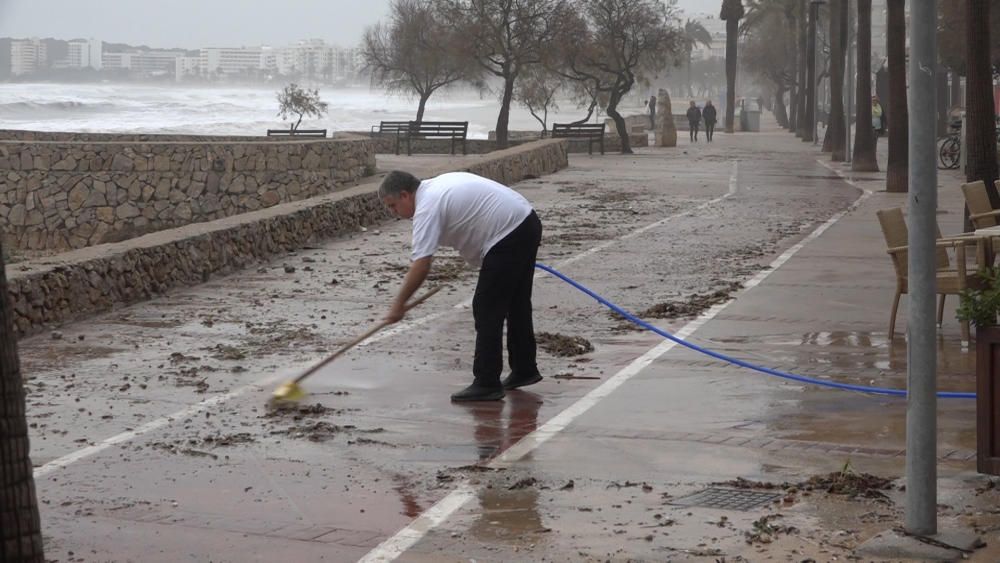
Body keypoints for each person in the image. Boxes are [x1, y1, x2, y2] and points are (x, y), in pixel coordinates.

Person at [379, 170, 543, 402]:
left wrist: (398, 304)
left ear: (405, 195)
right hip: (526, 221)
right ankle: (524, 368)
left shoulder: (427, 206)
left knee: (486, 307)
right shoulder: (436, 187)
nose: (394, 213)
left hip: (509, 232)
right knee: (516, 302)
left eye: (393, 206)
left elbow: (421, 264)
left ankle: (487, 382)